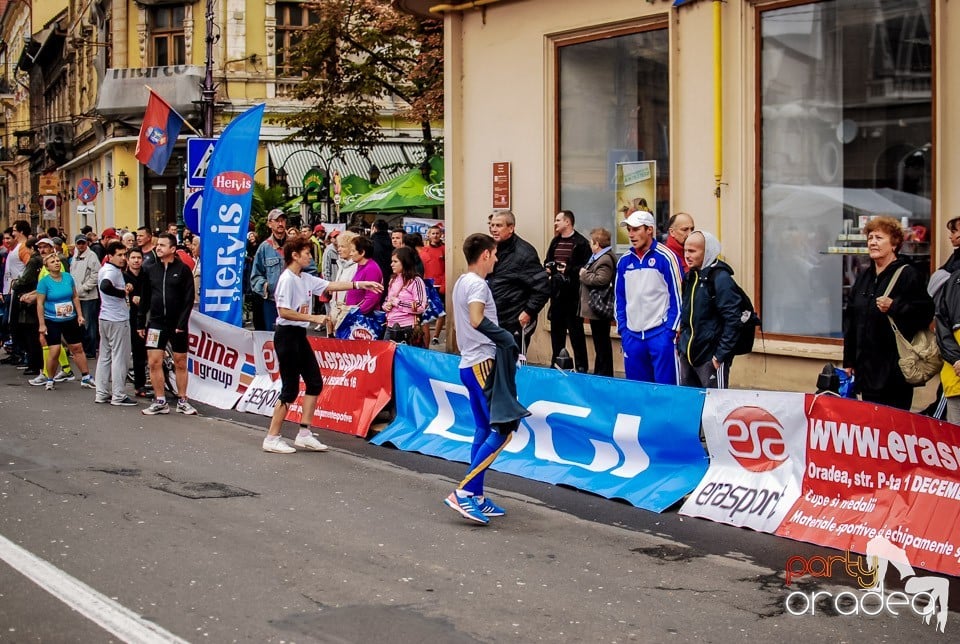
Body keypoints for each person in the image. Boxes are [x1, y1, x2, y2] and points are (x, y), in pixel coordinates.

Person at [262, 237, 383, 453]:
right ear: (295, 256)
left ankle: (305, 433)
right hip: (287, 335)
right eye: (306, 253)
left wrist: (360, 284)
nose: (310, 256)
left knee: (314, 382)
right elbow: (283, 312)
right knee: (289, 389)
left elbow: (330, 285)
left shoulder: (305, 278)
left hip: (298, 335)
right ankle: (272, 436)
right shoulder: (287, 279)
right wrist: (314, 318)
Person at [444, 233, 528, 525]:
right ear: (486, 255)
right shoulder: (478, 284)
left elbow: (464, 322)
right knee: (504, 430)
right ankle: (464, 491)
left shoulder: (461, 282)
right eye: (494, 254)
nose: (497, 259)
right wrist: (505, 337)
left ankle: (476, 495)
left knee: (483, 427)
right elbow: (477, 319)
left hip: (471, 362)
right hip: (482, 362)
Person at [843, 216, 934, 410]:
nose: (873, 242)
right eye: (870, 238)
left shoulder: (908, 274)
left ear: (894, 244)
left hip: (893, 373)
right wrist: (849, 361)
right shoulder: (864, 276)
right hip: (866, 371)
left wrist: (895, 306)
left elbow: (925, 313)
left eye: (879, 238)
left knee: (891, 429)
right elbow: (851, 319)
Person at [615, 210, 683, 384]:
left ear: (649, 230)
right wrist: (623, 330)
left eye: (636, 229)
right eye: (629, 229)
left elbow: (678, 297)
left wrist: (670, 332)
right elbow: (619, 299)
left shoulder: (666, 257)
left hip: (660, 335)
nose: (631, 234)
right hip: (632, 337)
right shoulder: (624, 261)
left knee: (666, 391)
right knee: (638, 392)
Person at [138, 233, 198, 416]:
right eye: (159, 245)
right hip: (156, 323)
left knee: (180, 362)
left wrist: (181, 323)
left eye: (163, 245)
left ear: (173, 249)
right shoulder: (150, 270)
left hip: (177, 324)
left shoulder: (183, 270)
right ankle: (160, 400)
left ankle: (182, 400)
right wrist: (141, 322)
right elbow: (145, 298)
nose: (159, 247)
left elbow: (188, 300)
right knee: (154, 362)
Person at [677, 230, 742, 389]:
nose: (687, 255)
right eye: (685, 250)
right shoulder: (690, 276)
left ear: (707, 252)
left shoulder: (721, 279)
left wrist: (719, 356)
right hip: (688, 355)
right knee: (689, 404)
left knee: (715, 408)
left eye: (692, 251)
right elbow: (686, 312)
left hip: (710, 358)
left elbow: (733, 319)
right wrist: (682, 348)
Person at [486, 211, 550, 352]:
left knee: (512, 365)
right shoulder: (489, 249)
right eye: (492, 225)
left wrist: (528, 312)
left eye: (498, 225)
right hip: (493, 319)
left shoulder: (524, 253)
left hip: (514, 322)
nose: (494, 229)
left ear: (511, 228)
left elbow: (543, 287)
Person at [35, 253, 95, 391]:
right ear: (47, 266)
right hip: (52, 320)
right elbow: (40, 304)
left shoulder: (68, 278)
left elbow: (75, 297)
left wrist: (80, 315)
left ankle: (86, 377)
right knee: (54, 350)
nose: (56, 263)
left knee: (77, 348)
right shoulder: (44, 282)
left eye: (57, 261)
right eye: (52, 261)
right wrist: (42, 324)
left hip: (70, 318)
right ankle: (50, 379)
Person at [544, 210, 591, 372]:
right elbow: (548, 260)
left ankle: (581, 366)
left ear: (567, 222)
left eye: (558, 220)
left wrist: (568, 270)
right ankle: (556, 363)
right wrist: (550, 269)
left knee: (576, 333)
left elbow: (587, 267)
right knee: (557, 332)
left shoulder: (581, 243)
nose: (555, 223)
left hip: (573, 296)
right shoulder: (555, 242)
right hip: (556, 294)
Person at [95, 241, 136, 406]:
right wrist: (122, 293)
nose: (123, 258)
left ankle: (102, 392)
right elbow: (105, 286)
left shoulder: (106, 269)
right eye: (119, 255)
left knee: (105, 356)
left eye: (124, 255)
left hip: (105, 317)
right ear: (110, 256)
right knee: (120, 357)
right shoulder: (110, 271)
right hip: (117, 319)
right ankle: (118, 395)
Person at [578, 228, 616, 377]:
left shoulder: (605, 259)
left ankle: (604, 374)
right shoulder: (598, 257)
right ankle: (600, 372)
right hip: (595, 308)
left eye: (591, 242)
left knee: (602, 344)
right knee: (600, 343)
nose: (589, 245)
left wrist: (584, 274)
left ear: (597, 244)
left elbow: (602, 279)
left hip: (599, 308)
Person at [249, 209, 288, 331]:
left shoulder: (294, 245)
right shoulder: (264, 248)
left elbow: (310, 269)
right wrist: (267, 286)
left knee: (293, 339)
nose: (280, 224)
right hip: (271, 303)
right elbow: (255, 277)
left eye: (283, 220)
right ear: (270, 224)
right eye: (277, 221)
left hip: (293, 302)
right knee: (271, 337)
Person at [382, 247, 427, 344]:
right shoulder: (393, 279)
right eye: (392, 261)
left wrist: (399, 303)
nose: (391, 264)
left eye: (395, 261)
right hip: (390, 326)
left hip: (407, 328)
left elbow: (420, 306)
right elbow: (388, 299)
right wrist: (386, 305)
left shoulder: (415, 281)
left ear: (405, 262)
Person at [124, 247, 151, 398]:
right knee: (136, 351)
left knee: (145, 351)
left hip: (146, 316)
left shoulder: (146, 275)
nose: (136, 261)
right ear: (128, 260)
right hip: (129, 317)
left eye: (138, 258)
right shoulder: (123, 276)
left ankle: (145, 382)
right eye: (133, 258)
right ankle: (138, 385)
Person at [70, 234, 101, 359]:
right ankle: (82, 349)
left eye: (83, 243)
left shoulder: (92, 256)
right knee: (79, 324)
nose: (81, 245)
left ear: (87, 243)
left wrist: (83, 288)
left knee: (89, 324)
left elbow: (96, 275)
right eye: (79, 243)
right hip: (76, 296)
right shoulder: (75, 255)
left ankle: (90, 350)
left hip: (88, 296)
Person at [343, 235, 383, 315]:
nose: (350, 254)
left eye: (353, 251)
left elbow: (372, 297)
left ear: (362, 252)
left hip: (362, 318)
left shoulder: (371, 269)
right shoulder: (361, 266)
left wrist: (358, 313)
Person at [420, 225, 446, 344]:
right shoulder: (424, 250)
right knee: (426, 311)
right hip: (428, 284)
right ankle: (425, 338)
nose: (435, 235)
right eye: (433, 233)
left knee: (441, 311)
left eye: (437, 233)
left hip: (440, 283)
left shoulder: (445, 249)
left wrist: (444, 284)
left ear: (441, 234)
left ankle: (436, 336)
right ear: (428, 235)